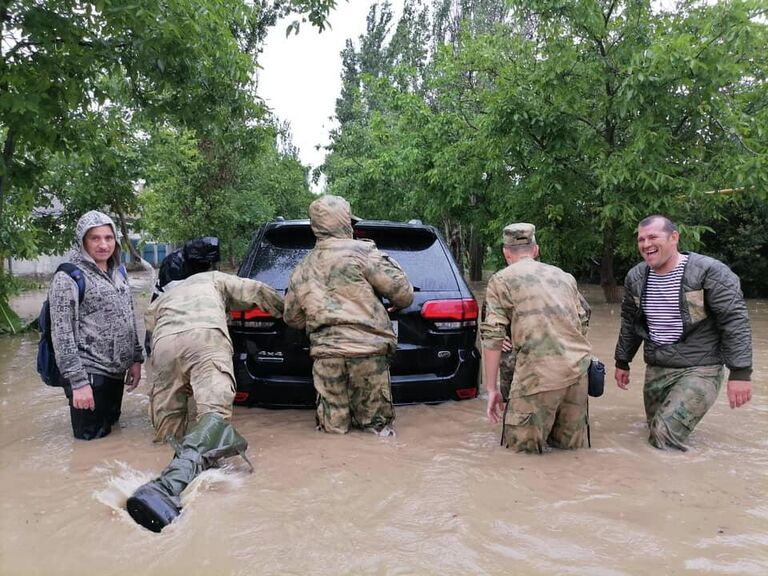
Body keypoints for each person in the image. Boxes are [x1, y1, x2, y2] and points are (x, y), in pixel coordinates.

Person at [127, 270, 284, 533]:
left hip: (164, 343)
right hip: (205, 337)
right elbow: (256, 290)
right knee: (213, 415)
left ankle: (162, 469)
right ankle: (176, 487)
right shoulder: (215, 278)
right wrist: (288, 312)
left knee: (168, 422)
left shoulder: (165, 296)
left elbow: (150, 324)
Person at [614, 215, 753, 451]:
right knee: (654, 430)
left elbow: (734, 321)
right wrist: (622, 361)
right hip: (658, 364)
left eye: (653, 237)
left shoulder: (710, 272)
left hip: (701, 366)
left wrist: (740, 373)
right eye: (641, 239)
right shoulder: (636, 277)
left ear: (674, 238)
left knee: (663, 435)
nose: (646, 244)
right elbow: (630, 322)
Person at [283, 195, 414, 436]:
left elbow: (292, 318)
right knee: (378, 431)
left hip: (326, 358)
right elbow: (404, 295)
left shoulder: (302, 267)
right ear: (346, 222)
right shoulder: (363, 252)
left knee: (332, 432)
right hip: (368, 355)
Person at [481, 223, 592, 453]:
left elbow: (492, 336)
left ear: (505, 252)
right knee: (572, 456)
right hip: (577, 377)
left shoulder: (501, 280)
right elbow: (583, 321)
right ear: (536, 249)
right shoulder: (564, 277)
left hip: (536, 379)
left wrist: (492, 389)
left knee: (521, 458)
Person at [48, 210, 143, 440]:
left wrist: (136, 359)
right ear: (82, 241)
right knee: (90, 446)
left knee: (112, 436)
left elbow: (128, 315)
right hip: (88, 374)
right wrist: (78, 383)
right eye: (95, 238)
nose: (103, 245)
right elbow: (62, 334)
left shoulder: (118, 272)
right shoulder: (69, 277)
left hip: (115, 373)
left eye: (109, 238)